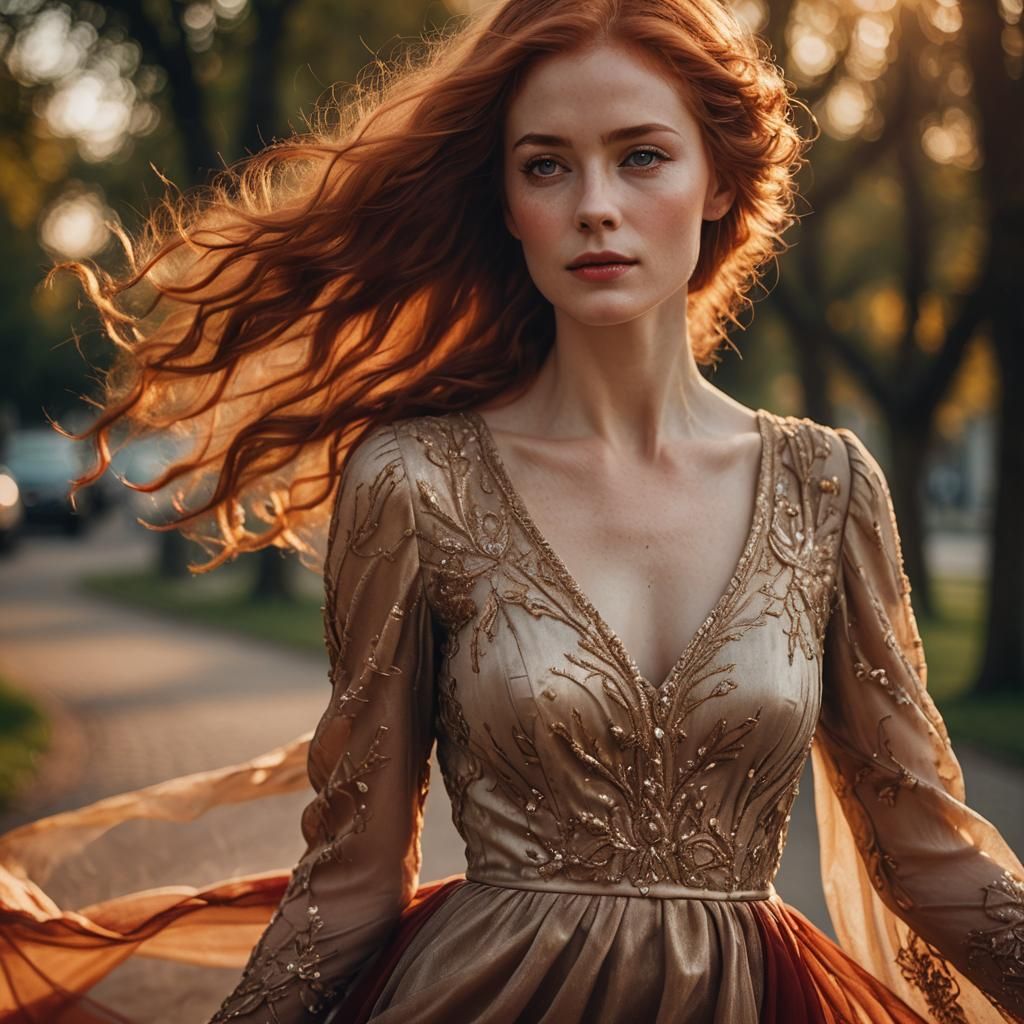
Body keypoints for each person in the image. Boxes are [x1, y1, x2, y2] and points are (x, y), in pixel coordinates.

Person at [1, 0, 1022, 1022]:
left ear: (717, 179)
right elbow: (355, 878)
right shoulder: (414, 481)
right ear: (504, 200)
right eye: (545, 165)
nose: (593, 205)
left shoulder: (826, 488)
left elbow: (927, 854)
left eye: (640, 157)